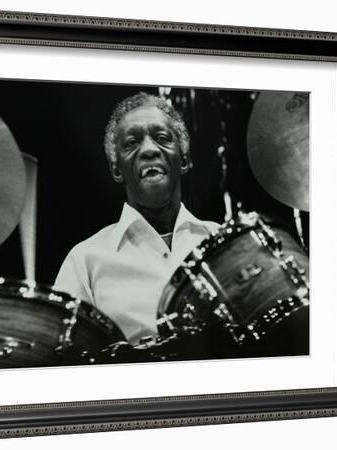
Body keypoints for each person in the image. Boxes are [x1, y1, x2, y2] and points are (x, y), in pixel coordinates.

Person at [54, 92, 219, 344]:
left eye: (162, 138)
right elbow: (63, 355)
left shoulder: (221, 242)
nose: (149, 150)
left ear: (184, 160)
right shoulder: (84, 260)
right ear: (116, 169)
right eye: (132, 143)